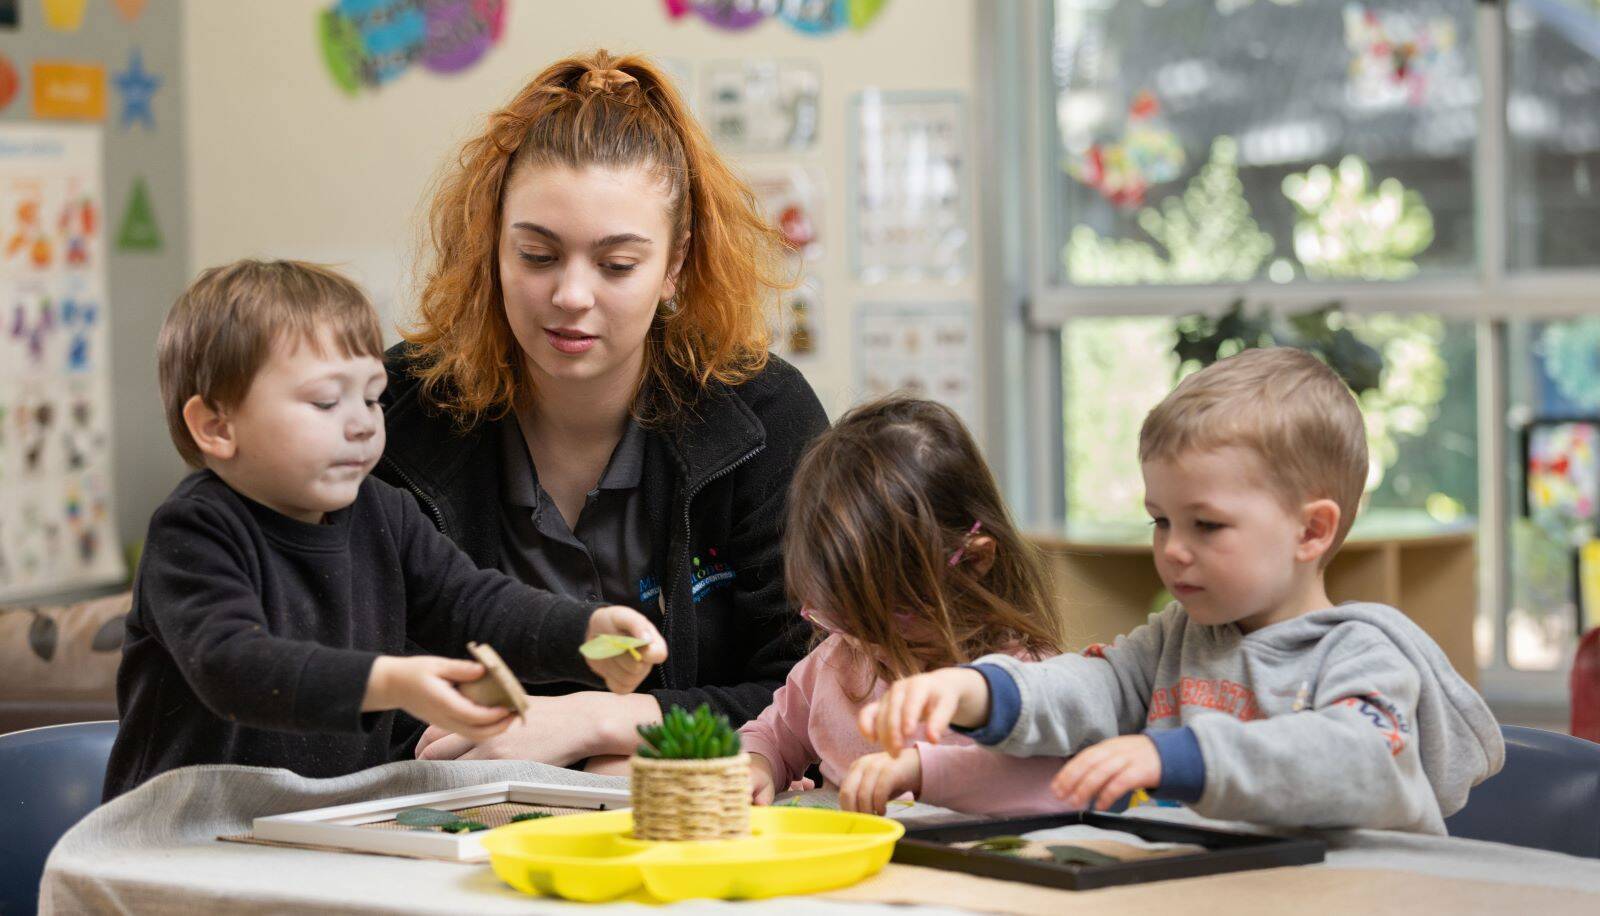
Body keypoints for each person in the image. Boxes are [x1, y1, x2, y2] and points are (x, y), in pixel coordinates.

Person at [376, 50, 829, 771]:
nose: (572, 296)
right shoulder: (395, 410)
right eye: (537, 255)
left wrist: (601, 720)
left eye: (617, 265)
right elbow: (335, 678)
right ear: (493, 244)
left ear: (675, 264)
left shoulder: (767, 419)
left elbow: (813, 694)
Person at [860, 348, 1504, 834]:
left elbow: (1351, 759)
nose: (1173, 548)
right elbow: (1092, 687)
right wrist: (975, 690)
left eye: (1207, 525)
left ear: (1311, 530)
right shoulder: (1176, 640)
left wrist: (1181, 755)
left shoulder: (1364, 658)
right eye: (1161, 520)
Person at [104, 260, 664, 800]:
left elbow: (474, 605)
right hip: (181, 834)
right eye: (326, 401)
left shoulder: (383, 512)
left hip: (326, 823)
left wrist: (583, 632)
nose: (362, 423)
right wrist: (389, 682)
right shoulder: (194, 532)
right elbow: (235, 667)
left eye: (371, 397)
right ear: (215, 426)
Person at [741, 397, 1072, 816]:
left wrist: (919, 772)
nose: (866, 639)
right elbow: (772, 732)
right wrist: (758, 763)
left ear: (972, 561)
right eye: (840, 615)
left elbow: (1051, 783)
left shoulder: (1029, 681)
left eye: (888, 614)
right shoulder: (838, 659)